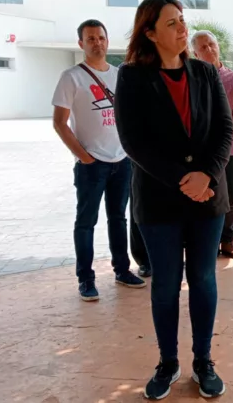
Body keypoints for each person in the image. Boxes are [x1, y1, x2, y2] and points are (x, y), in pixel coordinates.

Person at [114, 0, 233, 400]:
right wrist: (184, 179)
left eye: (182, 20)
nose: (182, 28)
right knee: (166, 282)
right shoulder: (132, 77)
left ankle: (203, 361)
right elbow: (133, 141)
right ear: (150, 33)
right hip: (159, 198)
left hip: (207, 196)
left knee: (203, 278)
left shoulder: (205, 72)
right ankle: (168, 362)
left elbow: (224, 129)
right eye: (171, 23)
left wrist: (206, 175)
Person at [51, 19, 146, 302]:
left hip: (121, 161)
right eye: (91, 39)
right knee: (86, 222)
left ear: (107, 40)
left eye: (101, 37)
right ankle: (86, 279)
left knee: (119, 219)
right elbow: (59, 123)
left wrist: (129, 151)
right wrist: (84, 157)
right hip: (91, 165)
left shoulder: (119, 75)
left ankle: (122, 270)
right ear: (81, 43)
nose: (97, 43)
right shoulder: (72, 77)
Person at [191, 30, 233, 260]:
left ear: (218, 46)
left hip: (228, 150)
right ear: (195, 53)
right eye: (203, 47)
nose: (209, 49)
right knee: (207, 196)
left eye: (211, 44)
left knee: (232, 195)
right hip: (201, 151)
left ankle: (228, 240)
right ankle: (209, 243)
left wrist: (221, 138)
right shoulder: (193, 79)